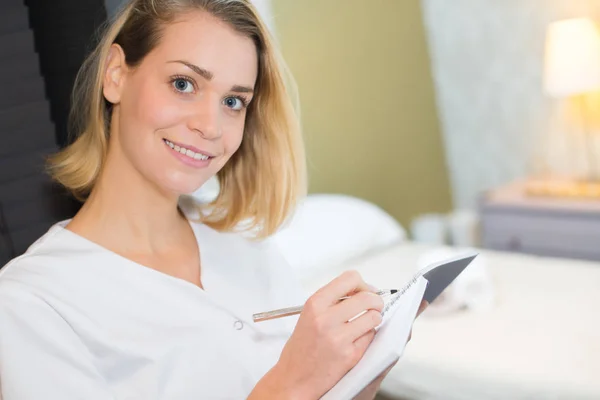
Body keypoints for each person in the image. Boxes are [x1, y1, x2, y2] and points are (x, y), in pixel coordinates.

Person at [0, 1, 425, 398]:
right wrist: (293, 382)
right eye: (183, 84)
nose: (211, 126)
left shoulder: (244, 245)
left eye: (233, 101)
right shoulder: (32, 304)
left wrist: (361, 369)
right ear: (116, 74)